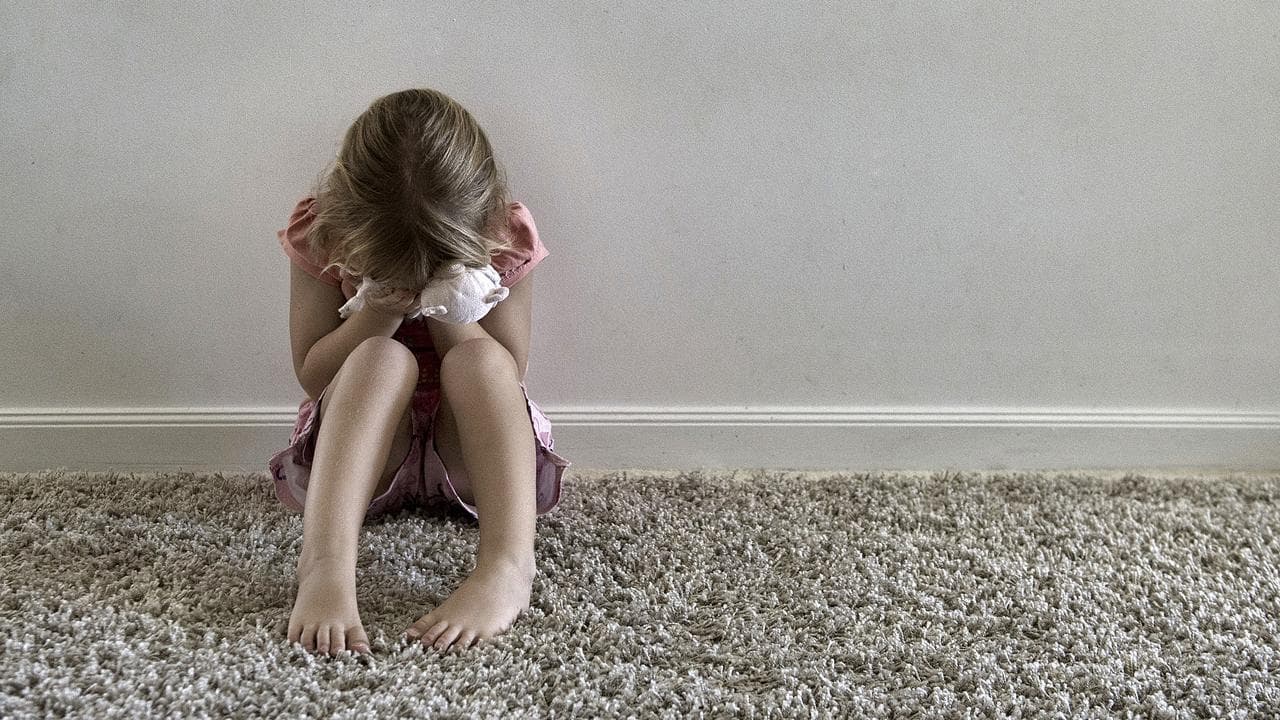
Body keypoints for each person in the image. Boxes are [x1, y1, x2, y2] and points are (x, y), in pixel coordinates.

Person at [267, 88, 570, 656]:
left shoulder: (502, 232)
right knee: (382, 358)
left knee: (479, 360)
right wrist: (378, 310)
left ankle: (507, 565)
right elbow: (314, 374)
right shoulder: (322, 230)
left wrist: (452, 309)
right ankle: (325, 565)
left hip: (471, 456)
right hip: (367, 460)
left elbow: (510, 371)